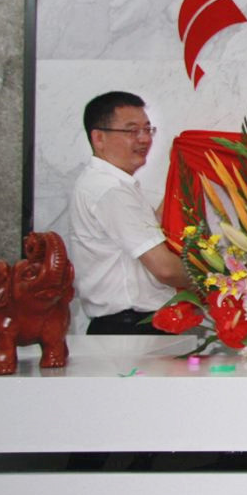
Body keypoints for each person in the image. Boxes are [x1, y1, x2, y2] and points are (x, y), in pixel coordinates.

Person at [68, 92, 189, 334]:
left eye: (147, 129)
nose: (144, 139)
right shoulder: (110, 190)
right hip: (129, 330)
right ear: (99, 138)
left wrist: (183, 176)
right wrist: (220, 280)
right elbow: (165, 269)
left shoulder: (110, 184)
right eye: (132, 131)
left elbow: (150, 230)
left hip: (131, 327)